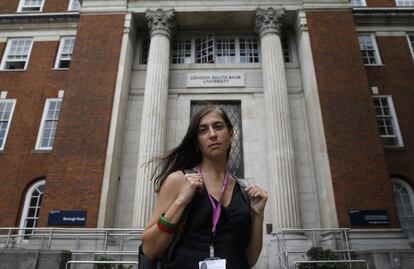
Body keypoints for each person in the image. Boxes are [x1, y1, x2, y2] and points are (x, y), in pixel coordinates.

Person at [141, 105, 268, 269]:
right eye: (203, 130)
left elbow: (249, 260)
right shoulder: (179, 180)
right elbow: (150, 249)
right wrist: (181, 201)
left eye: (218, 126)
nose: (213, 134)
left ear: (231, 134)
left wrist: (258, 215)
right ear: (196, 143)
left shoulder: (243, 193)